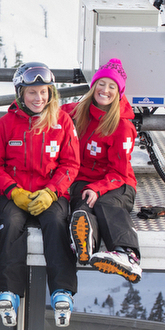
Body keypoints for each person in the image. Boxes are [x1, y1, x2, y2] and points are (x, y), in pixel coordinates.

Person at [0, 62, 80, 327]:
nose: (39, 98)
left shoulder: (61, 122)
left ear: (51, 93)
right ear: (20, 94)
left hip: (50, 192)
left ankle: (62, 290)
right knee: (10, 224)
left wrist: (51, 192)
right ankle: (7, 291)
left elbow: (71, 164)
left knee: (56, 223)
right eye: (32, 93)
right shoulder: (7, 124)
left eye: (43, 92)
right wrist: (14, 192)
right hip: (16, 192)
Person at [62, 58, 141, 282]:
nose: (105, 90)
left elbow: (119, 172)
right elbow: (51, 112)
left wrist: (98, 188)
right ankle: (87, 244)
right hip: (84, 180)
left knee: (105, 204)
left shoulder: (122, 126)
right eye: (101, 83)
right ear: (93, 85)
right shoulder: (80, 112)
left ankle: (128, 254)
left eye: (112, 86)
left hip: (118, 183)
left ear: (119, 92)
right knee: (82, 206)